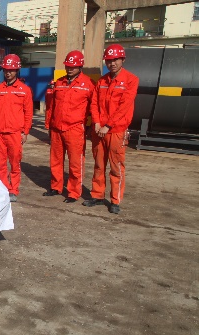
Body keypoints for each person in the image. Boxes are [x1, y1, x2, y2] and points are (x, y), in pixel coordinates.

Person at [85, 44, 139, 214]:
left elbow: (124, 106)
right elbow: (94, 103)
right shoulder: (102, 81)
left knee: (116, 167)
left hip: (116, 130)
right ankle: (97, 195)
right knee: (99, 164)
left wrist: (108, 125)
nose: (112, 63)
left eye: (115, 60)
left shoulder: (131, 80)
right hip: (99, 130)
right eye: (109, 60)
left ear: (123, 59)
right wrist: (96, 122)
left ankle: (115, 200)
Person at [43, 50, 95, 203]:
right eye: (68, 66)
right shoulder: (59, 83)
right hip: (57, 128)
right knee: (56, 160)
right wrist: (49, 124)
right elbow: (51, 106)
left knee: (75, 162)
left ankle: (73, 192)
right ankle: (56, 186)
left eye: (73, 66)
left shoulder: (88, 84)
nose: (70, 68)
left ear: (80, 66)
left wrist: (91, 126)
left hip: (75, 129)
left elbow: (94, 107)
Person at [0, 54, 33, 203]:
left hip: (15, 133)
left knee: (15, 163)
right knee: (0, 163)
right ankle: (3, 188)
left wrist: (25, 131)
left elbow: (28, 113)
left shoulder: (24, 90)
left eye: (11, 70)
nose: (8, 73)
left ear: (17, 70)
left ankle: (13, 189)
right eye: (6, 70)